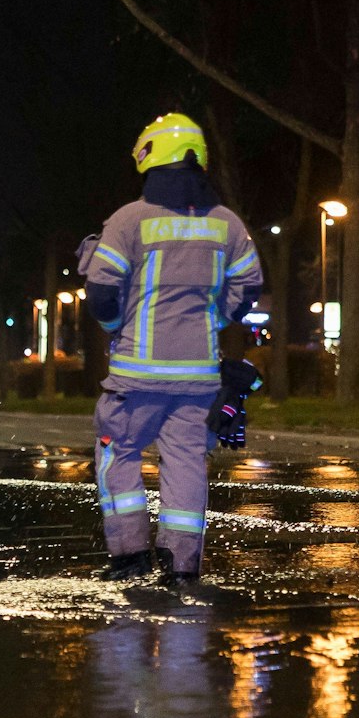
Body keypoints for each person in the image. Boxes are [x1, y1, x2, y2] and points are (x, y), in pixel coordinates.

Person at [81, 112, 263, 590]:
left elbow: (100, 291)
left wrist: (116, 325)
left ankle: (130, 555)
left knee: (116, 452)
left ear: (150, 158)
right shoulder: (227, 224)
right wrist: (214, 319)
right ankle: (182, 566)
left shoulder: (129, 220)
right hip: (198, 378)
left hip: (136, 376)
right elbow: (248, 286)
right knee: (185, 463)